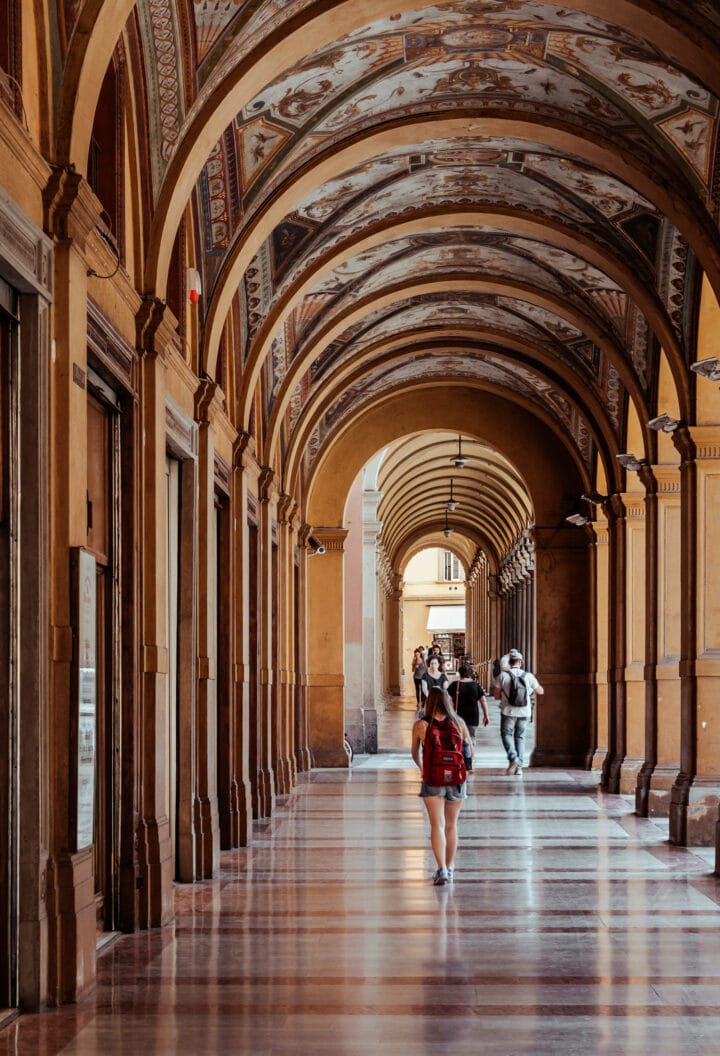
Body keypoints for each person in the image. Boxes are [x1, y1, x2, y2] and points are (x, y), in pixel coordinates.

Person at [411, 687, 473, 885]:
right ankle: (451, 866)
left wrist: (422, 768)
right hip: (456, 779)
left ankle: (442, 869)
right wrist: (465, 771)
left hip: (433, 778)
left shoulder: (421, 725)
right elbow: (470, 751)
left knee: (436, 824)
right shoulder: (458, 723)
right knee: (451, 825)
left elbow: (414, 753)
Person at [493, 648, 544, 776]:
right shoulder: (528, 676)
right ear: (520, 662)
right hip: (524, 712)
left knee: (506, 735)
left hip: (508, 711)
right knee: (520, 737)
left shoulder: (502, 676)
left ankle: (513, 757)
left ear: (509, 662)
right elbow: (540, 691)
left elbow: (496, 696)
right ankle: (519, 768)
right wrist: (530, 690)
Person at [448, 665, 489, 743]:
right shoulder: (476, 685)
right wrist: (486, 715)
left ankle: (460, 754)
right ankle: (470, 753)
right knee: (471, 737)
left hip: (458, 716)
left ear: (459, 673)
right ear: (470, 674)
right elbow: (483, 701)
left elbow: (446, 699)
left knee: (458, 737)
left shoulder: (455, 685)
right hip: (473, 716)